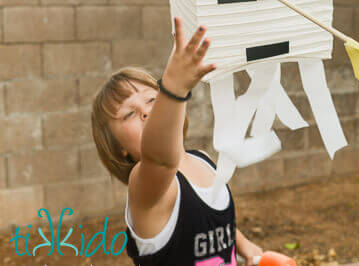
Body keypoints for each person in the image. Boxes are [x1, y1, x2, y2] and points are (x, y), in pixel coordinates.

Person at [90, 17, 263, 265]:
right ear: (119, 149)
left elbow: (207, 219)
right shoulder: (145, 184)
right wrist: (174, 87)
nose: (146, 112)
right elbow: (160, 159)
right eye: (129, 113)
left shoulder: (201, 160)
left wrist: (246, 247)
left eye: (152, 100)